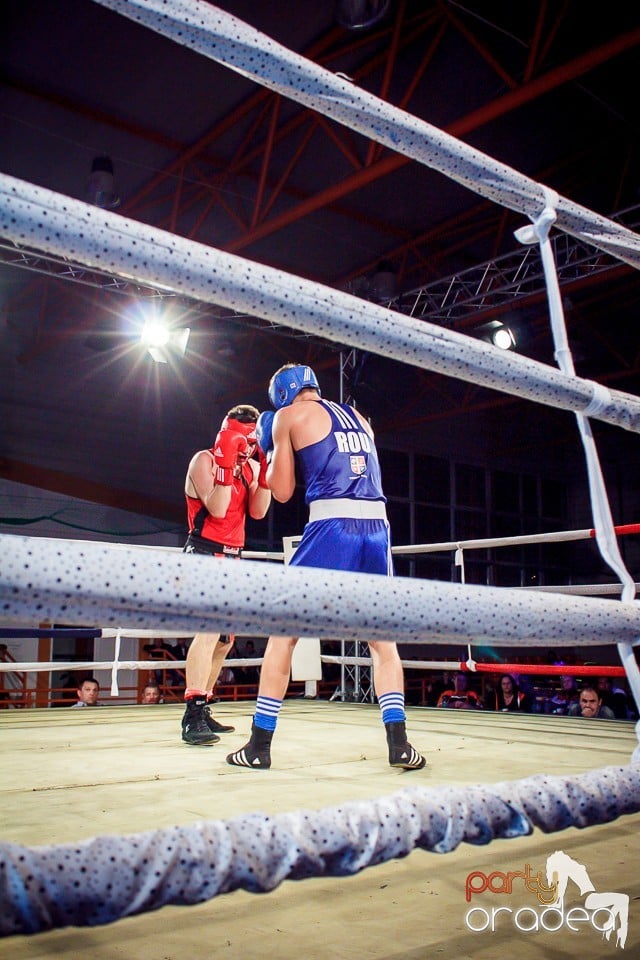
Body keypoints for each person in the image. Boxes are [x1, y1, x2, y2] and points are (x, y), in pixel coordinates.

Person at [226, 363, 425, 770]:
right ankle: (399, 744)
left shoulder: (286, 416)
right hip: (378, 529)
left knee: (284, 633)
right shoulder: (361, 420)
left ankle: (259, 746)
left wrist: (267, 450)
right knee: (382, 641)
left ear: (281, 395)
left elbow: (281, 493)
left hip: (332, 526)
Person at [181, 404, 271, 745]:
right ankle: (192, 714)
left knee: (224, 639)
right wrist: (223, 464)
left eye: (252, 442)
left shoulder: (247, 466)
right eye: (243, 439)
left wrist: (263, 469)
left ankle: (203, 706)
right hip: (204, 553)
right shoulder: (203, 461)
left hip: (233, 558)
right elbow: (217, 509)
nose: (247, 447)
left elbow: (259, 512)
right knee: (206, 632)